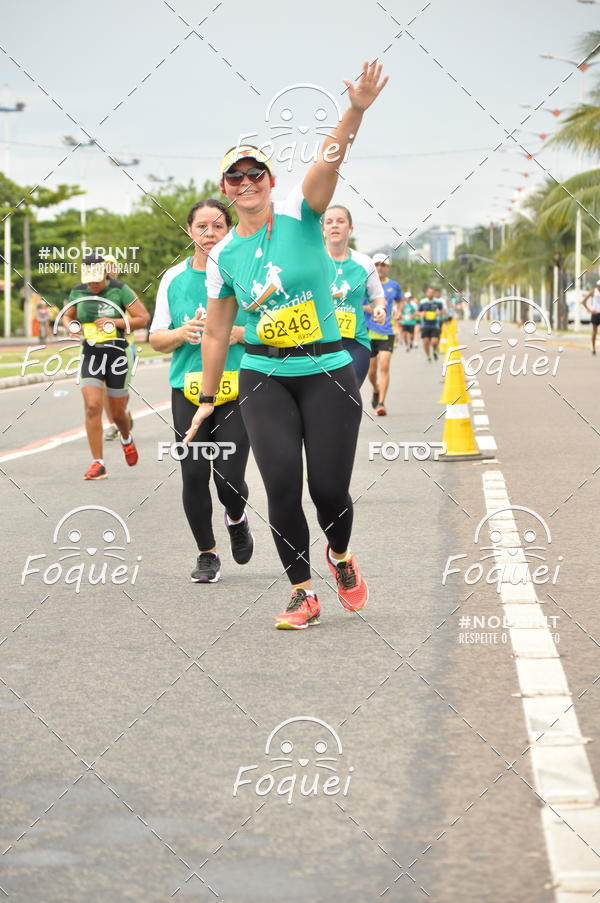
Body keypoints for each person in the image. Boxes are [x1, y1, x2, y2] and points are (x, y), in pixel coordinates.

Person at [183, 60, 388, 630]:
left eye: (256, 175)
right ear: (224, 190)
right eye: (235, 179)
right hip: (263, 376)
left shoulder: (302, 212)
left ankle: (340, 556)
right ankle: (302, 591)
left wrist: (355, 110)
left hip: (327, 369)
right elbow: (220, 331)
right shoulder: (224, 257)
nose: (246, 185)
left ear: (271, 181)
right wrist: (206, 396)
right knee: (279, 485)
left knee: (328, 488)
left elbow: (331, 158)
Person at [150, 199, 254, 583]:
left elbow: (272, 327)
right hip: (188, 391)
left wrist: (234, 332)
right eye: (202, 227)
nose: (210, 234)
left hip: (237, 390)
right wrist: (182, 333)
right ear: (189, 231)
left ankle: (237, 517)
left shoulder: (244, 275)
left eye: (218, 226)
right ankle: (207, 553)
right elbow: (155, 338)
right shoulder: (174, 279)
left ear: (229, 230)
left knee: (228, 477)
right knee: (193, 474)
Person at [62, 253, 150, 480]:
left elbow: (143, 318)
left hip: (117, 353)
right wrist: (70, 325)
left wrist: (117, 322)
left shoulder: (120, 289)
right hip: (91, 352)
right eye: (89, 280)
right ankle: (98, 463)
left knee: (118, 413)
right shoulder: (78, 292)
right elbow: (68, 316)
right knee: (92, 406)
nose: (93, 285)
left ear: (104, 274)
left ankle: (126, 438)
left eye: (97, 280)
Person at [322, 205, 386, 387]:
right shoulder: (313, 260)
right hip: (319, 344)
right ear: (323, 230)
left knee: (347, 394)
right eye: (329, 222)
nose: (334, 225)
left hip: (355, 343)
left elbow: (376, 296)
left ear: (350, 229)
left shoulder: (364, 262)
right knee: (325, 401)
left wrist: (379, 308)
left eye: (340, 221)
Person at [102, 254, 135, 441]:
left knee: (120, 391)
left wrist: (116, 322)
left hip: (125, 347)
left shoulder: (124, 291)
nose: (109, 271)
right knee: (105, 389)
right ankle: (113, 424)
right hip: (99, 348)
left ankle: (121, 412)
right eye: (105, 267)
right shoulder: (94, 292)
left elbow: (136, 318)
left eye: (112, 267)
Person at [366, 253, 402, 416]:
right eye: (377, 264)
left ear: (388, 267)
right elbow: (359, 305)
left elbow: (400, 300)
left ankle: (381, 403)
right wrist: (375, 308)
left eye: (383, 265)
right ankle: (376, 388)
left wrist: (399, 311)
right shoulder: (366, 284)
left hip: (388, 331)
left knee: (385, 365)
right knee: (371, 372)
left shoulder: (394, 286)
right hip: (368, 332)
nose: (380, 267)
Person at [418, 286, 444, 362]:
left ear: (434, 293)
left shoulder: (438, 302)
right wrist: (421, 314)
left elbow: (442, 311)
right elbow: (417, 312)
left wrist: (439, 313)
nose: (431, 294)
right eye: (429, 292)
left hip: (435, 324)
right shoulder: (422, 302)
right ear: (426, 293)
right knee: (426, 341)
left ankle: (434, 350)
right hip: (425, 325)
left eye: (432, 292)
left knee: (434, 341)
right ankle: (428, 356)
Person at [582, 280, 600, 355]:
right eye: (599, 285)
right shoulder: (593, 292)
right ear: (597, 285)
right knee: (594, 332)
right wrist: (589, 310)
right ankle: (593, 348)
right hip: (595, 314)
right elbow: (583, 301)